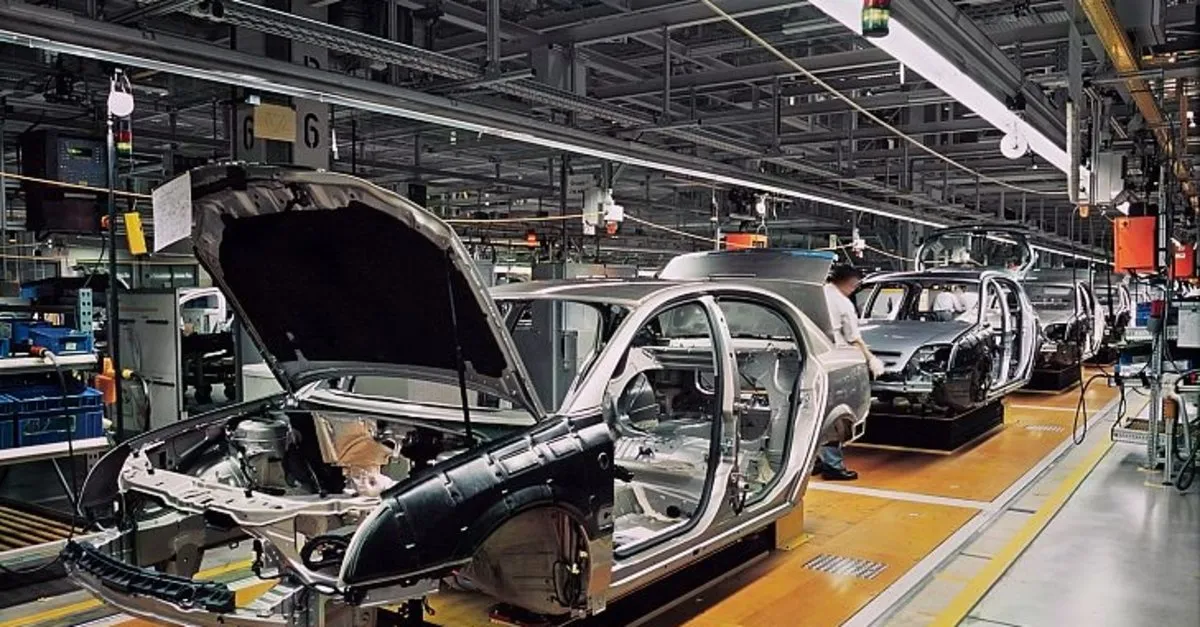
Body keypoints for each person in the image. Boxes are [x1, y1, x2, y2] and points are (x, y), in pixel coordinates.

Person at [815, 264, 883, 481]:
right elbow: (854, 338)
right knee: (835, 414)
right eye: (854, 285)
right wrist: (870, 358)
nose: (854, 289)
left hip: (812, 359)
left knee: (813, 413)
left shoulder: (817, 293)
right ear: (849, 282)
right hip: (834, 360)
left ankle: (815, 460)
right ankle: (833, 466)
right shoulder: (843, 303)